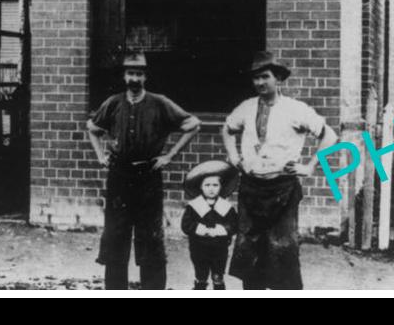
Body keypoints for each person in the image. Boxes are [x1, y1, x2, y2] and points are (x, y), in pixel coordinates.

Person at [221, 51, 339, 290]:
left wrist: (310, 166)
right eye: (255, 78)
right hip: (251, 189)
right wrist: (234, 156)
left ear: (278, 79)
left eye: (265, 77)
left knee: (282, 250)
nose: (260, 83)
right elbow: (227, 129)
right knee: (250, 249)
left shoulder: (296, 109)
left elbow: (330, 136)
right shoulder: (246, 107)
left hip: (282, 190)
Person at [86, 51, 201, 290]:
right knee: (116, 234)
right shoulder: (114, 102)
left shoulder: (159, 103)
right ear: (124, 76)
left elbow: (192, 124)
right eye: (130, 73)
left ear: (145, 77)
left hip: (148, 176)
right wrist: (100, 155)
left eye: (139, 74)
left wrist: (170, 155)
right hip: (119, 175)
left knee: (150, 235)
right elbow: (92, 127)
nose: (134, 79)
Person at [180, 160, 239, 290]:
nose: (211, 188)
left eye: (215, 185)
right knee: (201, 274)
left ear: (221, 187)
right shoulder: (194, 206)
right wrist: (200, 229)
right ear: (200, 187)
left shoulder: (226, 207)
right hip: (199, 247)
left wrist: (223, 229)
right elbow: (186, 225)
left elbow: (234, 225)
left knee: (218, 275)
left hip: (220, 248)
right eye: (207, 185)